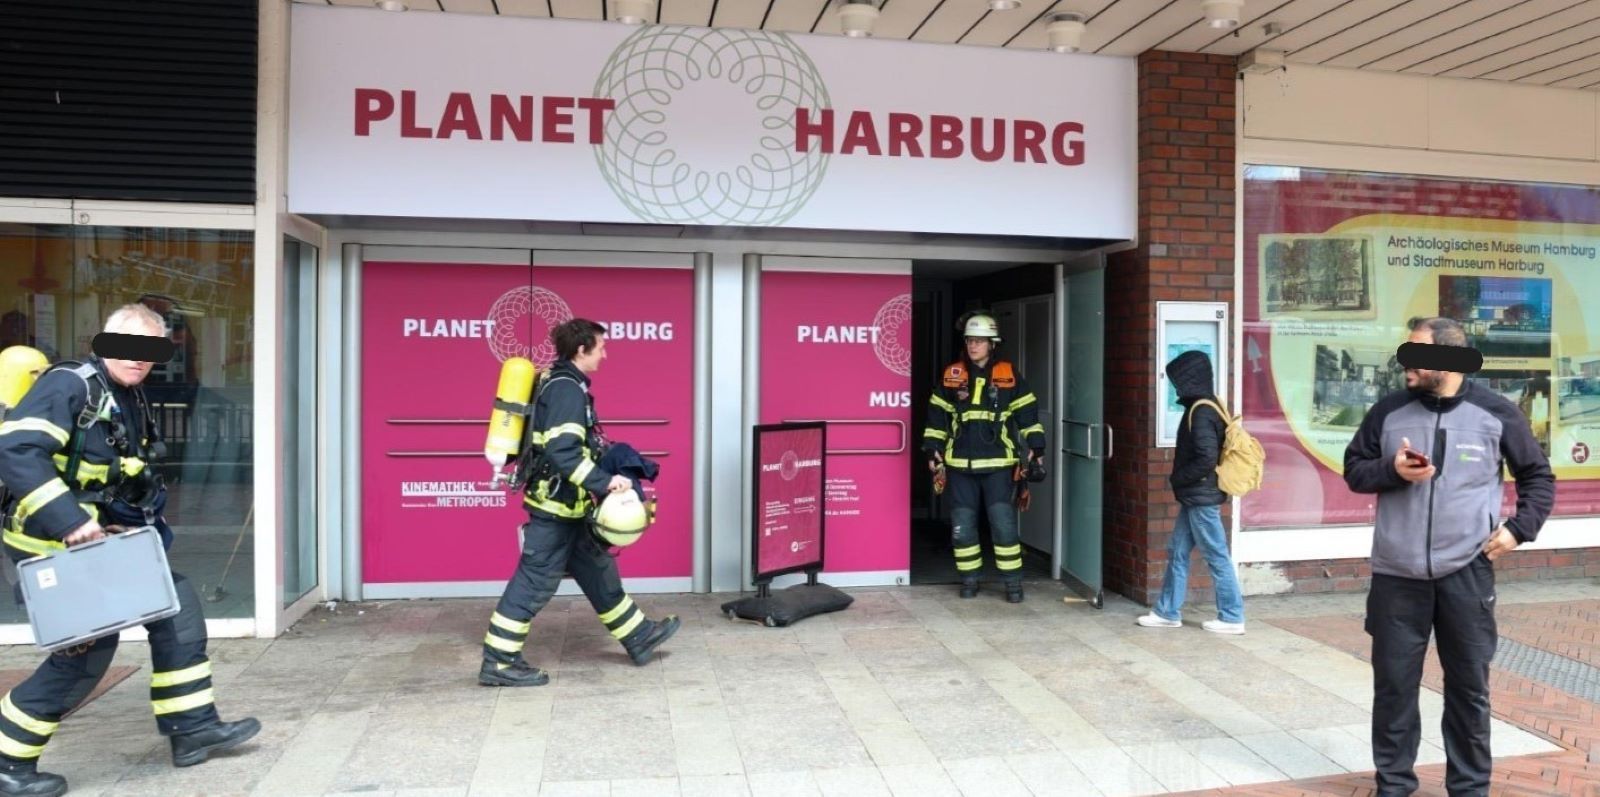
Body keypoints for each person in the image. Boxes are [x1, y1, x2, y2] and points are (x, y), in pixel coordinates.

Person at [0, 304, 259, 797]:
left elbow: (120, 469)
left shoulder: (123, 393)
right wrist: (71, 521)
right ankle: (7, 762)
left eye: (150, 351)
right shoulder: (69, 385)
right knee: (82, 656)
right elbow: (16, 452)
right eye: (129, 348)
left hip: (105, 544)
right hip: (53, 546)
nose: (139, 360)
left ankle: (192, 728)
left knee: (178, 610)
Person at [1344, 317, 1554, 797]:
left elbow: (1538, 477)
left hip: (1468, 573)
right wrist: (1392, 470)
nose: (1406, 360)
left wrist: (1519, 530)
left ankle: (1469, 788)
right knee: (1394, 689)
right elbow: (1354, 470)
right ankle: (1394, 786)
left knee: (1468, 690)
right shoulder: (1388, 412)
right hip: (1397, 576)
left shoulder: (1497, 413)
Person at [478, 318, 680, 687]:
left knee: (598, 570)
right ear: (581, 349)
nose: (606, 353)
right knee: (533, 583)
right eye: (601, 347)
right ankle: (500, 662)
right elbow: (563, 452)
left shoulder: (566, 385)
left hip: (570, 509)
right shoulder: (566, 390)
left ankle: (638, 635)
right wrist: (606, 482)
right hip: (554, 510)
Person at [922, 311, 1045, 603]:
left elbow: (1028, 415)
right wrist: (932, 449)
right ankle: (969, 580)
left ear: (993, 344)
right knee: (962, 528)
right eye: (969, 340)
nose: (973, 345)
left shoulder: (1009, 376)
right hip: (960, 465)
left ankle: (1013, 583)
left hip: (998, 466)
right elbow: (936, 416)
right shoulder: (952, 377)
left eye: (979, 340)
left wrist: (1037, 448)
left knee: (1002, 525)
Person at [1137, 350, 1246, 634]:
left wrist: (1178, 478)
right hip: (1196, 496)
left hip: (1200, 497)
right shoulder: (1209, 405)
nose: (1175, 386)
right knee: (1178, 552)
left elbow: (1206, 457)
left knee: (1216, 556)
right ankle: (1166, 611)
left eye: (1177, 380)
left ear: (1189, 379)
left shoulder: (1201, 412)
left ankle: (1232, 616)